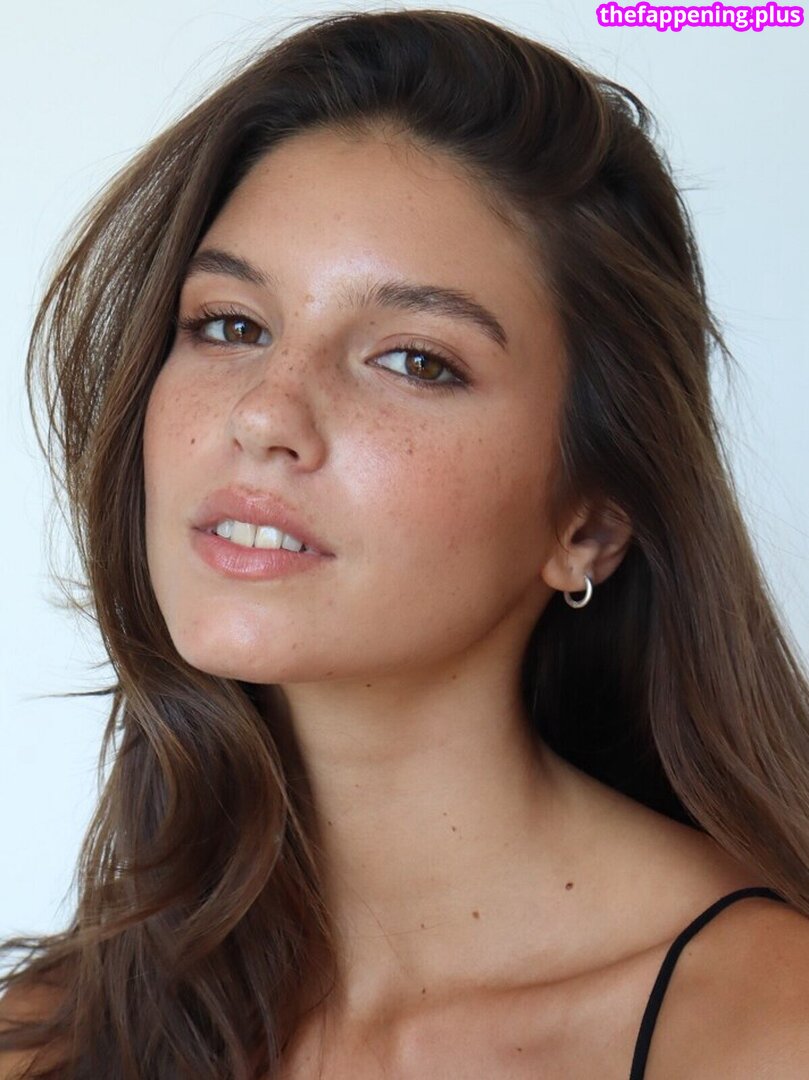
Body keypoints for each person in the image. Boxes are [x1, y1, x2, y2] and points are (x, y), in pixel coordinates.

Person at [2, 7, 809, 1078]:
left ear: (589, 524)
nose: (264, 412)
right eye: (230, 324)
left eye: (414, 360)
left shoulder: (766, 1029)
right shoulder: (48, 1039)